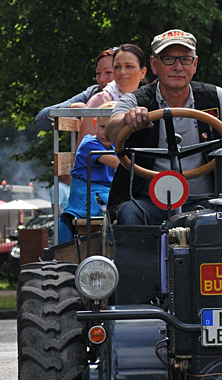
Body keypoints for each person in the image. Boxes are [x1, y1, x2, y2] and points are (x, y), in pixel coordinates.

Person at [105, 28, 222, 224]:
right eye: (169, 59)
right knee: (129, 214)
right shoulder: (136, 100)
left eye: (185, 59)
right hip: (149, 203)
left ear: (194, 64)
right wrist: (127, 120)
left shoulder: (215, 98)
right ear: (154, 64)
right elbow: (111, 132)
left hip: (211, 202)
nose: (178, 67)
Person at [59, 105, 120, 241]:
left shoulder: (114, 146)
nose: (106, 133)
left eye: (112, 129)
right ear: (95, 123)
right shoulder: (89, 144)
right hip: (87, 193)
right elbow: (118, 164)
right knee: (120, 211)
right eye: (103, 127)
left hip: (103, 192)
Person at [34, 48, 117, 132]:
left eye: (108, 72)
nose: (101, 79)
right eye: (98, 73)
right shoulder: (93, 93)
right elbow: (41, 120)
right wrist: (73, 108)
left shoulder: (129, 98)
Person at [78, 44, 149, 140]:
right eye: (117, 67)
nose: (122, 72)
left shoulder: (151, 98)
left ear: (143, 73)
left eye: (129, 66)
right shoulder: (99, 100)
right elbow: (85, 150)